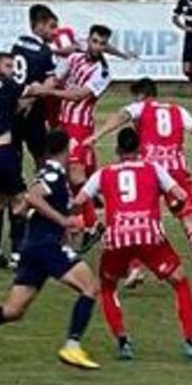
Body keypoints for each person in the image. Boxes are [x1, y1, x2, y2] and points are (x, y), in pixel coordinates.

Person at [0, 129, 101, 371]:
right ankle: (72, 346)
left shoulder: (51, 172)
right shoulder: (52, 173)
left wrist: (37, 212)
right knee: (90, 287)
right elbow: (33, 195)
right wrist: (62, 220)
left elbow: (22, 205)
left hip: (33, 247)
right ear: (67, 148)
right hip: (44, 246)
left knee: (13, 310)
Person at [75, 128, 192, 363]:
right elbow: (180, 195)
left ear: (118, 150)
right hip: (151, 238)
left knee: (108, 288)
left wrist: (85, 221)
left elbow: (79, 201)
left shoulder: (104, 173)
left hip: (118, 239)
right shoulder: (153, 168)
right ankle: (191, 343)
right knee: (180, 283)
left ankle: (123, 342)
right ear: (139, 149)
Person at [94, 78, 192, 301]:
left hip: (150, 173)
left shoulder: (140, 107)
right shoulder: (178, 110)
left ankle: (136, 268)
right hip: (176, 172)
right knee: (191, 225)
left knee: (140, 217)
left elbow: (121, 117)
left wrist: (98, 134)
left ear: (141, 95)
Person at [0, 52, 49, 268]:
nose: (12, 70)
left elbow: (4, 109)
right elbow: (32, 91)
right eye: (7, 65)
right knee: (20, 201)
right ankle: (17, 254)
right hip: (3, 152)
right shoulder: (8, 85)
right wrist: (49, 88)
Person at [47, 24, 115, 250]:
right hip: (63, 123)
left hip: (80, 127)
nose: (97, 46)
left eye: (102, 43)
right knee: (72, 177)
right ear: (89, 40)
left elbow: (78, 95)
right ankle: (84, 225)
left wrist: (49, 92)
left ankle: (93, 224)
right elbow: (57, 76)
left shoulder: (103, 72)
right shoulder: (75, 57)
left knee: (76, 176)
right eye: (95, 41)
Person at [11, 3, 60, 167]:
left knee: (13, 155)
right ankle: (42, 189)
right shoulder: (45, 52)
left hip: (14, 106)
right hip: (33, 110)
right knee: (42, 157)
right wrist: (32, 98)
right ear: (39, 25)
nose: (55, 32)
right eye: (52, 26)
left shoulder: (18, 44)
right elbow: (48, 86)